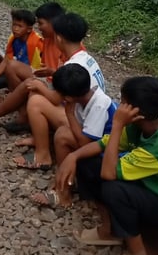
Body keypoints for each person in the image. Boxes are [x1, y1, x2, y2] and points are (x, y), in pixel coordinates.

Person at [56, 76, 158, 255]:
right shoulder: (141, 127)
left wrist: (118, 124)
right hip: (150, 187)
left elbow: (108, 174)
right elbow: (104, 144)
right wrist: (72, 156)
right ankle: (108, 230)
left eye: (123, 102)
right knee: (86, 160)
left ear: (136, 113)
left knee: (114, 189)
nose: (119, 107)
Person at [13, 13, 106, 170]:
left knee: (36, 100)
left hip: (83, 124)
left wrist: (40, 87)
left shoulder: (73, 65)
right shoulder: (85, 58)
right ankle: (40, 140)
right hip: (93, 118)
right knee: (38, 93)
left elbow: (56, 99)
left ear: (59, 38)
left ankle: (43, 156)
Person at [0, 1, 65, 134]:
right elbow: (8, 60)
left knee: (29, 83)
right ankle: (23, 114)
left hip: (57, 86)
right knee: (12, 66)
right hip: (49, 79)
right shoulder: (49, 38)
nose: (38, 27)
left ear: (53, 23)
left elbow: (66, 80)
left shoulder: (61, 42)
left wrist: (50, 74)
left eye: (41, 23)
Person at [31, 64, 117, 206]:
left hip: (107, 150)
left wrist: (69, 113)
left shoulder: (99, 105)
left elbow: (85, 143)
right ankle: (64, 178)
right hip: (96, 142)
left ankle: (64, 193)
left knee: (62, 136)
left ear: (68, 98)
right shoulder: (83, 97)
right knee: (64, 132)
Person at [0, 8, 44, 92]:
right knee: (9, 68)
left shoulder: (37, 42)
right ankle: (16, 94)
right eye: (14, 25)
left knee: (11, 66)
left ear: (29, 29)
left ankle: (17, 95)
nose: (15, 29)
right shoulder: (13, 39)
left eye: (19, 26)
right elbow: (6, 61)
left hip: (35, 75)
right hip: (22, 74)